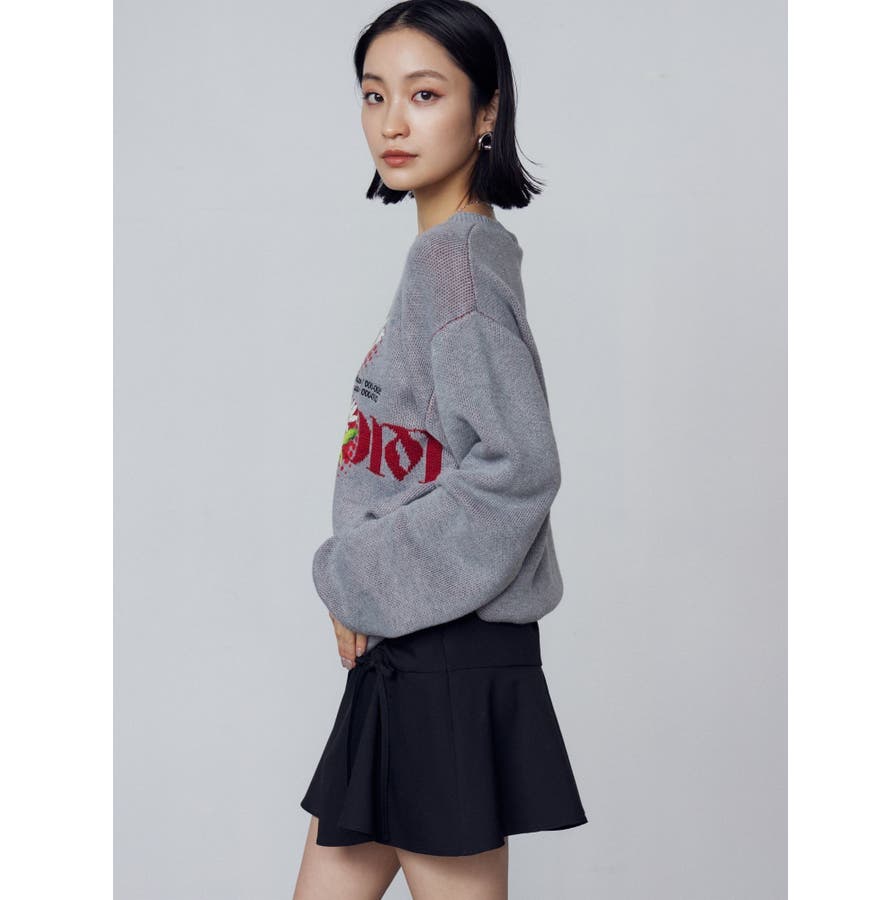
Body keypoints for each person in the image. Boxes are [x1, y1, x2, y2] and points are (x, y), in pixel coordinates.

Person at [293, 2, 587, 897]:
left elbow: (517, 467)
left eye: (425, 94)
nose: (392, 121)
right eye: (374, 94)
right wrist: (368, 588)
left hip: (446, 662)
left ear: (487, 110)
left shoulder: (453, 265)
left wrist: (354, 573)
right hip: (410, 651)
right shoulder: (450, 258)